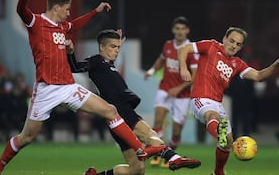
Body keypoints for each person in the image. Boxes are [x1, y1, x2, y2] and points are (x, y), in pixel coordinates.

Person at [0, 0, 163, 174]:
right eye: (67, 9)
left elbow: (75, 25)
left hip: (68, 87)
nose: (69, 13)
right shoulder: (36, 23)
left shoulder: (62, 27)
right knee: (26, 137)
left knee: (110, 111)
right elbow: (20, 10)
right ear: (56, 8)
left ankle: (140, 150)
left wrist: (95, 12)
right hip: (46, 89)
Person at [68, 29, 201, 175]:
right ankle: (173, 158)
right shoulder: (96, 61)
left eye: (118, 47)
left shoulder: (108, 62)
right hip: (120, 110)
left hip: (118, 114)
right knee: (148, 134)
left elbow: (109, 55)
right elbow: (75, 67)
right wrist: (69, 52)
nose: (117, 50)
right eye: (113, 47)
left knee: (137, 169)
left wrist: (116, 41)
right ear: (101, 47)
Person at [178, 27, 279, 175]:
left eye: (238, 44)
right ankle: (220, 133)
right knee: (212, 117)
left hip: (218, 103)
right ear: (224, 39)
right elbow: (184, 48)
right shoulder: (211, 46)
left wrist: (276, 65)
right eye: (231, 41)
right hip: (201, 98)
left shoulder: (237, 64)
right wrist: (184, 69)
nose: (233, 46)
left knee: (228, 143)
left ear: (241, 47)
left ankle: (218, 172)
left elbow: (258, 76)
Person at [144, 16, 199, 167]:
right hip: (165, 88)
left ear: (187, 30)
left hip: (182, 95)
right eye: (177, 28)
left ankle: (170, 154)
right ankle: (158, 153)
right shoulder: (167, 45)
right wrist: (151, 71)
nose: (180, 32)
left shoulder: (192, 50)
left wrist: (178, 88)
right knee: (157, 121)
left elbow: (194, 77)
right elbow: (161, 60)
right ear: (173, 30)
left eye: (183, 29)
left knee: (176, 133)